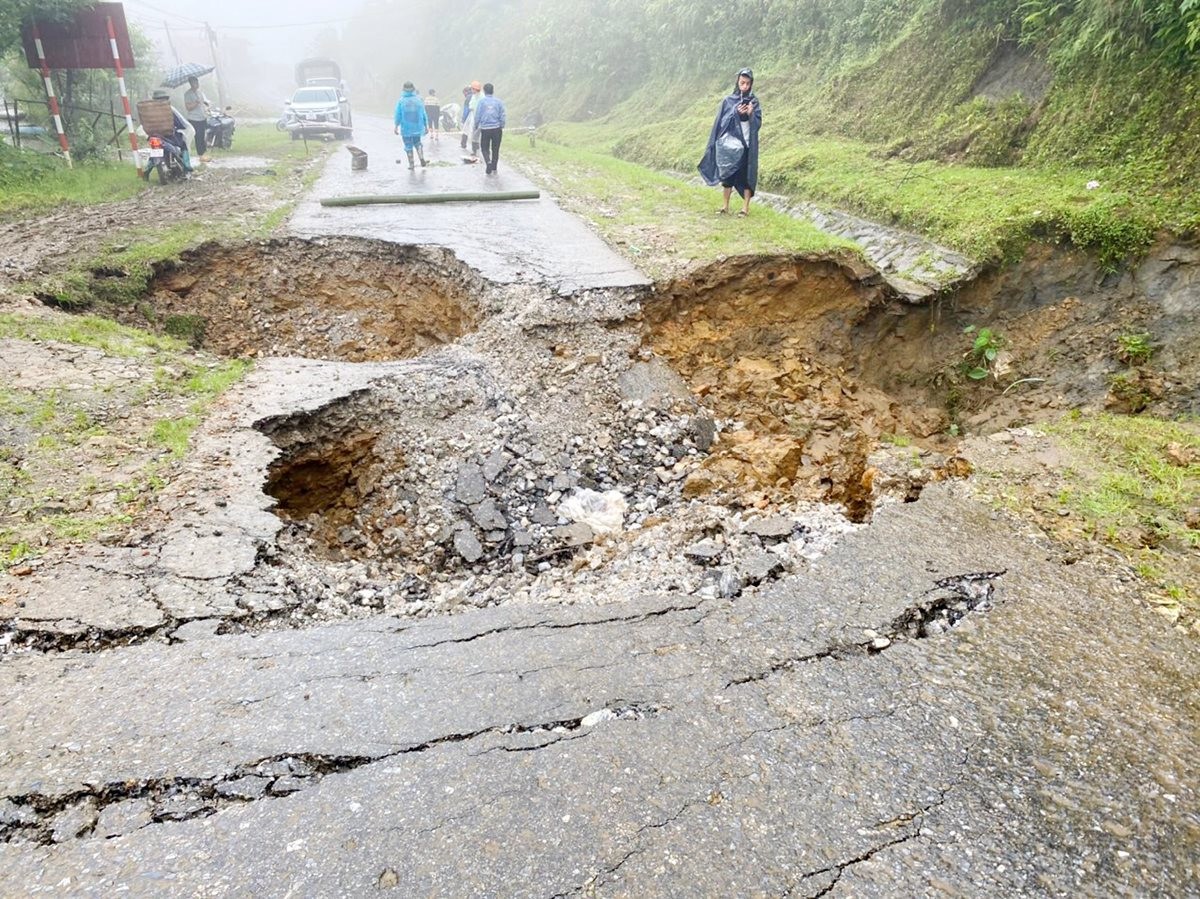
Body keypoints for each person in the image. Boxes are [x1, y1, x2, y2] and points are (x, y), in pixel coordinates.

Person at [698, 67, 762, 217]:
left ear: (751, 84)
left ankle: (745, 208)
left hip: (747, 144)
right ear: (737, 82)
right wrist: (735, 112)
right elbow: (722, 122)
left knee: (746, 175)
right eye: (742, 83)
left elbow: (758, 123)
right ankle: (725, 206)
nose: (744, 86)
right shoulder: (728, 101)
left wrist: (750, 113)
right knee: (727, 176)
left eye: (747, 83)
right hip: (729, 146)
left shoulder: (754, 102)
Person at [472, 82, 507, 175]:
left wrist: (476, 125)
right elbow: (502, 114)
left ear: (484, 91)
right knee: (496, 148)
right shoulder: (499, 102)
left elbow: (477, 115)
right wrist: (502, 125)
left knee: (484, 148)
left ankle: (488, 162)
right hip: (497, 129)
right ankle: (494, 166)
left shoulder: (481, 102)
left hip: (485, 129)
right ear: (493, 91)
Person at [394, 81, 429, 170]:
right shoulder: (418, 100)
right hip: (417, 127)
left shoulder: (401, 101)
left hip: (406, 128)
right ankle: (421, 158)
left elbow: (398, 115)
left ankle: (411, 164)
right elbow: (424, 114)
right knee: (417, 142)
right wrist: (426, 125)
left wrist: (396, 125)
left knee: (408, 144)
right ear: (413, 89)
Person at [183, 76, 210, 160]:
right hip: (194, 119)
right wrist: (196, 102)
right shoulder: (188, 94)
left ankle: (204, 153)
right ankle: (200, 155)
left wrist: (206, 103)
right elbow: (188, 107)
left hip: (202, 117)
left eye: (197, 82)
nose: (197, 84)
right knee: (198, 136)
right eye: (195, 83)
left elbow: (205, 102)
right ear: (191, 84)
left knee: (203, 136)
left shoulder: (200, 93)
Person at [460, 81, 481, 156]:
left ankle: (464, 144)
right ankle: (477, 146)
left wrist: (463, 119)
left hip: (471, 116)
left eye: (464, 93)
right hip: (479, 116)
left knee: (466, 130)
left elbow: (466, 109)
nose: (464, 95)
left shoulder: (469, 98)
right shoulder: (479, 95)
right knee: (476, 133)